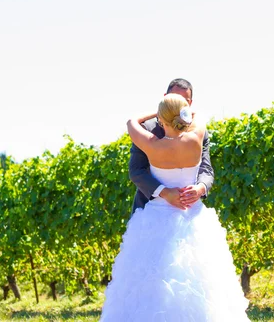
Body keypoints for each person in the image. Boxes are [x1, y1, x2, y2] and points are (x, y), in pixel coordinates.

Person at [100, 93, 250, 321]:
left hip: (156, 217)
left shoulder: (152, 144)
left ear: (161, 119)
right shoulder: (196, 137)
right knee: (201, 279)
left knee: (152, 280)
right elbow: (198, 117)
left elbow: (131, 122)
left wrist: (157, 113)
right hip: (192, 216)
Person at [129, 78, 214, 213]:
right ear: (165, 98)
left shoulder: (149, 140)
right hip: (148, 208)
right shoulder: (147, 128)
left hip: (188, 211)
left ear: (189, 104)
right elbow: (136, 171)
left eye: (183, 101)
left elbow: (206, 167)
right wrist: (164, 192)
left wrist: (201, 188)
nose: (177, 104)